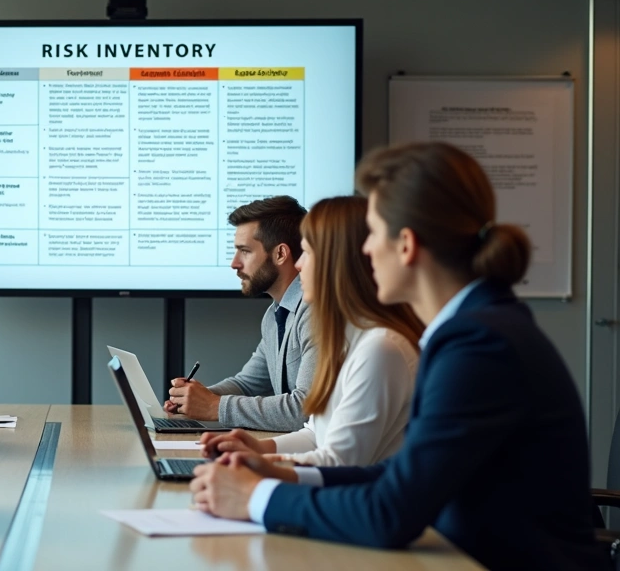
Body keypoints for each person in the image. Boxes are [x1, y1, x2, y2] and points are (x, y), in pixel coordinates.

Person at [190, 143, 605, 570]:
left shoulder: (479, 345)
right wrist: (282, 473)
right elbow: (400, 475)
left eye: (373, 234)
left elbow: (390, 513)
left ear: (406, 245)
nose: (365, 252)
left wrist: (256, 497)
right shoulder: (475, 328)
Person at [201, 196, 423, 467]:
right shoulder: (347, 335)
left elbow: (339, 463)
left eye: (307, 252)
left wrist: (261, 469)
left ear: (336, 261)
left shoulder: (380, 347)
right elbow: (316, 433)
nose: (298, 264)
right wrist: (258, 449)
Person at [166, 196, 316, 431]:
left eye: (245, 251)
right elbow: (247, 384)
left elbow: (305, 411)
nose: (234, 263)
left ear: (280, 254)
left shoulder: (315, 312)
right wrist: (195, 399)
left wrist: (214, 406)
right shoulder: (274, 316)